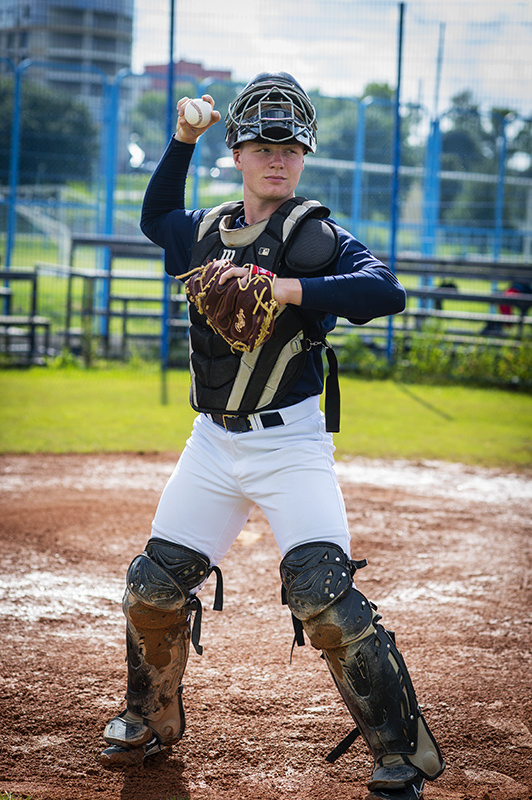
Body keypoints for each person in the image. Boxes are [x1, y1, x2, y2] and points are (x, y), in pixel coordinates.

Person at [100, 73, 445, 800]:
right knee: (150, 589)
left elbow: (385, 289)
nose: (277, 157)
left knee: (325, 597)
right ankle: (150, 715)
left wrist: (289, 289)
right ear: (238, 152)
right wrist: (181, 140)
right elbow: (155, 214)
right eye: (261, 143)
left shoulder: (313, 237)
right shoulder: (206, 232)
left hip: (290, 446)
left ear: (304, 153)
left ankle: (400, 753)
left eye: (290, 145)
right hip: (213, 445)